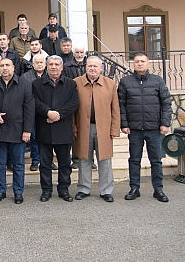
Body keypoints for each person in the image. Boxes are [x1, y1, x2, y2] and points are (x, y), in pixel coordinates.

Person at [118, 53, 172, 203]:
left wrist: (165, 123)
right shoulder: (125, 82)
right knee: (134, 160)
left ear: (148, 64)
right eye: (137, 62)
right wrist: (124, 124)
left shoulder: (158, 81)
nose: (140, 64)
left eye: (142, 61)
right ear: (133, 64)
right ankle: (134, 188)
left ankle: (158, 189)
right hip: (134, 129)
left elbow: (166, 103)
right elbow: (121, 105)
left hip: (154, 129)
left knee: (156, 160)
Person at [73, 56, 120, 202]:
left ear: (101, 68)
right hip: (83, 128)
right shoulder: (76, 83)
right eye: (89, 66)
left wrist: (114, 129)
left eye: (95, 66)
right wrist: (73, 126)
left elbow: (115, 109)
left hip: (104, 129)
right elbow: (72, 109)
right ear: (85, 67)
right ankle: (83, 188)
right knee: (84, 159)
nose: (92, 68)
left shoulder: (110, 84)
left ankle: (106, 190)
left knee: (105, 160)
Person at [33, 55, 79, 203]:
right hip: (44, 129)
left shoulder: (71, 84)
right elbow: (35, 102)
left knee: (65, 163)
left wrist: (58, 114)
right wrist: (48, 112)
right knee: (45, 164)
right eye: (51, 64)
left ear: (62, 67)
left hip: (63, 129)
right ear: (46, 66)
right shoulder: (36, 84)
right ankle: (46, 190)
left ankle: (63, 189)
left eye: (56, 64)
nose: (53, 67)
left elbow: (74, 103)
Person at [0, 58, 34, 205]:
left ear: (13, 67)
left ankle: (18, 192)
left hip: (18, 131)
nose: (4, 68)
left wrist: (27, 130)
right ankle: (1, 191)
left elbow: (29, 109)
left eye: (7, 65)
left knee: (18, 164)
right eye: (2, 65)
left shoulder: (25, 85)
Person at [21, 54, 55, 172]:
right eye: (37, 62)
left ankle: (49, 161)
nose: (39, 64)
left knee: (48, 137)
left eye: (41, 62)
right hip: (32, 112)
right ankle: (35, 161)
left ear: (45, 64)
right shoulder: (25, 77)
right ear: (32, 64)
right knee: (34, 138)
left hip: (46, 112)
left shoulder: (51, 76)